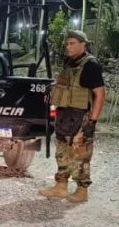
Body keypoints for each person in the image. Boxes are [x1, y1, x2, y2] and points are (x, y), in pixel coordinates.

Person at [38, 29, 106, 203]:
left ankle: (82, 191)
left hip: (81, 117)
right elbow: (66, 85)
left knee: (80, 155)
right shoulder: (69, 62)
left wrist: (92, 122)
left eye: (72, 43)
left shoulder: (90, 65)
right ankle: (60, 186)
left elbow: (100, 94)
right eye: (67, 44)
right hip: (64, 115)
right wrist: (53, 88)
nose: (68, 47)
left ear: (83, 45)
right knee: (62, 153)